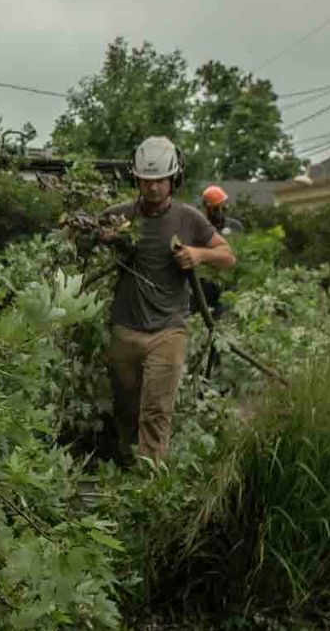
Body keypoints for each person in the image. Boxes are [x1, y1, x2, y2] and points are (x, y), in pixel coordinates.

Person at [101, 136, 236, 464]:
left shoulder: (189, 218)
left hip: (168, 329)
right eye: (146, 181)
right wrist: (103, 236)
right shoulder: (121, 216)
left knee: (156, 411)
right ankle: (126, 465)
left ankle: (149, 482)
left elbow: (228, 255)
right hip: (125, 327)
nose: (153, 188)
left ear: (173, 179)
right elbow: (91, 230)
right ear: (137, 179)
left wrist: (198, 254)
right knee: (127, 406)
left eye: (159, 180)